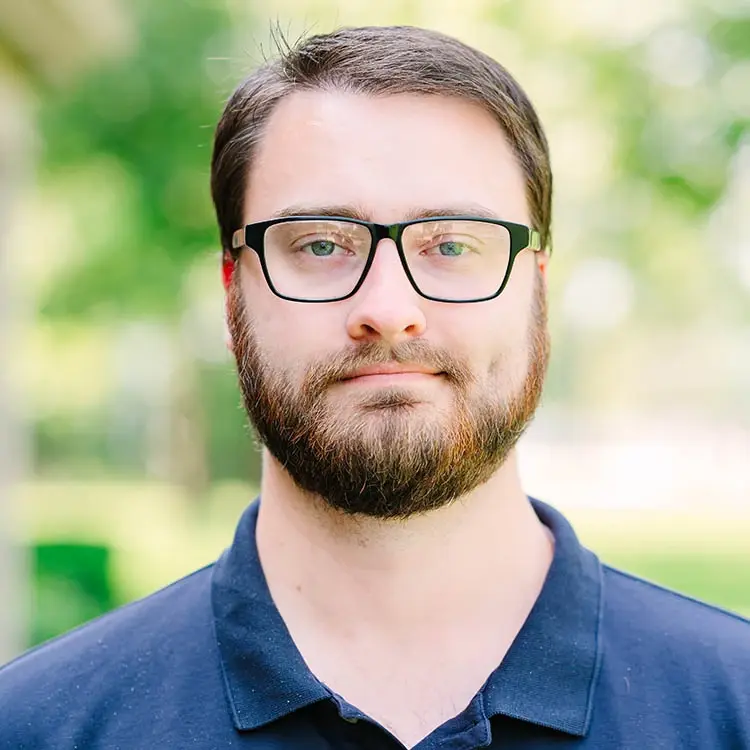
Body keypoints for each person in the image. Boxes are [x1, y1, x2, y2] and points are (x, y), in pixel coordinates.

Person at [1, 25, 748, 750]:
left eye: (452, 244)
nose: (387, 310)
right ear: (234, 295)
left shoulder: (732, 707)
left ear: (537, 289)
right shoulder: (34, 728)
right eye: (321, 244)